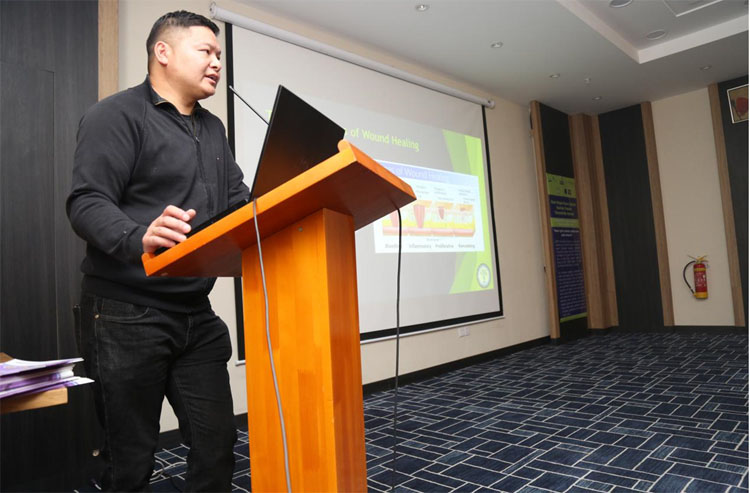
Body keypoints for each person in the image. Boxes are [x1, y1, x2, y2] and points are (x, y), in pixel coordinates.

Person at [67, 10, 249, 491]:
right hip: (125, 315)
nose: (217, 62)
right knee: (130, 460)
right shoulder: (116, 115)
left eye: (219, 54)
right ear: (162, 52)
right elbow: (86, 202)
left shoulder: (213, 129)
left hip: (196, 314)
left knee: (217, 445)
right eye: (206, 51)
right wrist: (138, 237)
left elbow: (238, 202)